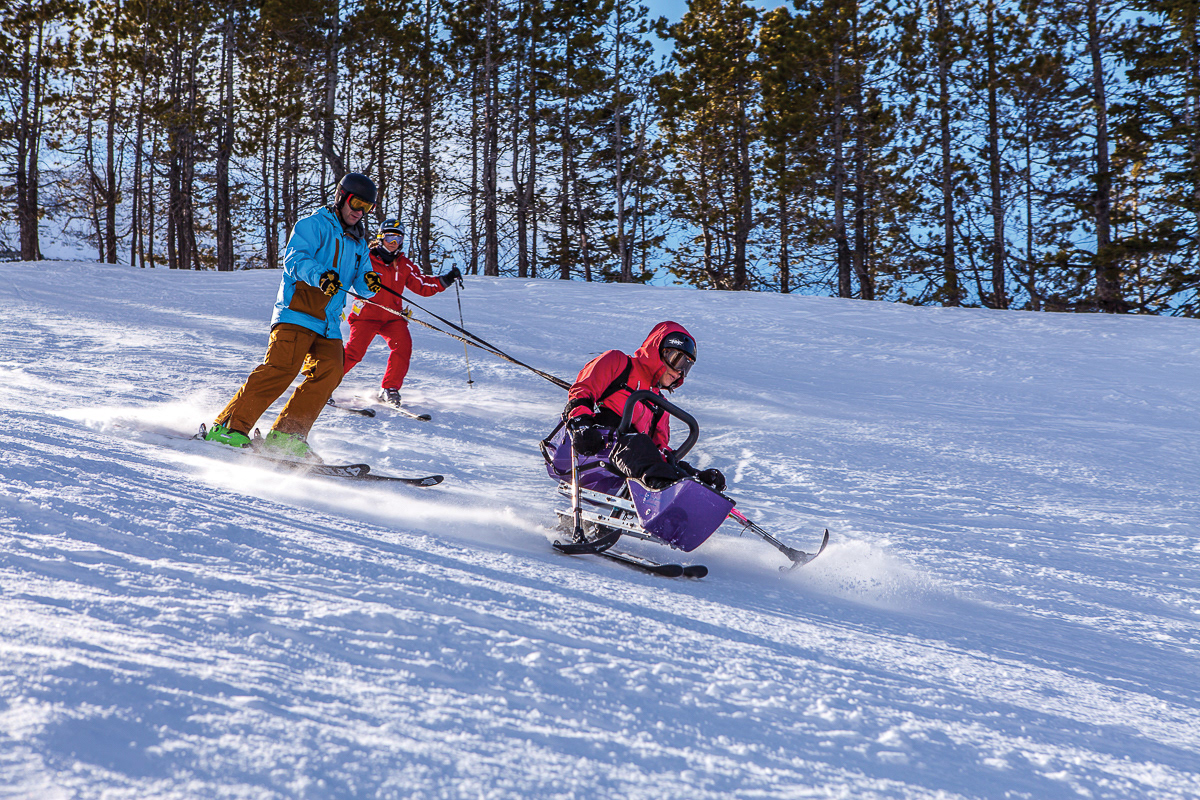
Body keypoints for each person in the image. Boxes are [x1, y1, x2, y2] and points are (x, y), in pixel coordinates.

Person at [204, 173, 383, 459]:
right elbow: (295, 260)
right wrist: (320, 275)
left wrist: (370, 283)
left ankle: (287, 435)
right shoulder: (313, 225)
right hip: (297, 311)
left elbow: (361, 283)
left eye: (367, 207)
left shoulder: (359, 242)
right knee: (281, 368)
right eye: (356, 203)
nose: (359, 212)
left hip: (328, 322)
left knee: (331, 371)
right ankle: (229, 427)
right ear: (341, 198)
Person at [562, 321, 725, 492]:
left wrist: (690, 472)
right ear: (659, 351)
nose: (679, 372)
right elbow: (581, 392)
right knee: (637, 443)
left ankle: (692, 486)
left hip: (625, 467)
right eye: (677, 360)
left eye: (686, 367)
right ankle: (664, 486)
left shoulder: (660, 406)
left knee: (650, 451)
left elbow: (658, 453)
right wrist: (581, 425)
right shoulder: (618, 363)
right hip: (590, 447)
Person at [341, 218, 462, 406]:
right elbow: (346, 276)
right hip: (366, 316)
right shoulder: (365, 258)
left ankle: (389, 388)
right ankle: (324, 383)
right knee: (354, 352)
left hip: (392, 318)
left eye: (398, 239)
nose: (393, 242)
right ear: (381, 237)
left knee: (403, 347)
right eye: (390, 237)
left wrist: (446, 279)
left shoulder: (403, 264)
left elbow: (422, 285)